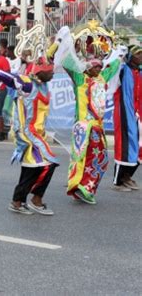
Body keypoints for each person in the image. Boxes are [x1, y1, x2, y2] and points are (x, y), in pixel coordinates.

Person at [0, 57, 58, 215]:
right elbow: (11, 79)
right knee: (48, 162)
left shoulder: (44, 85)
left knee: (31, 167)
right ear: (40, 71)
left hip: (37, 133)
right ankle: (33, 200)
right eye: (50, 71)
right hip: (26, 132)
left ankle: (18, 201)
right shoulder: (28, 84)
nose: (53, 73)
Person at [57, 48, 122, 203]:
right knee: (83, 158)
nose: (99, 69)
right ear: (87, 68)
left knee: (101, 158)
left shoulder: (101, 79)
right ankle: (80, 187)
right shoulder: (80, 79)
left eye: (100, 67)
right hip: (84, 126)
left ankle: (86, 187)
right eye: (95, 67)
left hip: (97, 127)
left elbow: (112, 67)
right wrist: (71, 47)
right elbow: (67, 63)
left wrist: (118, 53)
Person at [112, 45, 142, 191]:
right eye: (138, 54)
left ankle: (127, 176)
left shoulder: (140, 72)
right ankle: (118, 181)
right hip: (123, 112)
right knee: (124, 146)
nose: (141, 57)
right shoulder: (122, 70)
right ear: (130, 56)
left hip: (137, 114)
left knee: (137, 147)